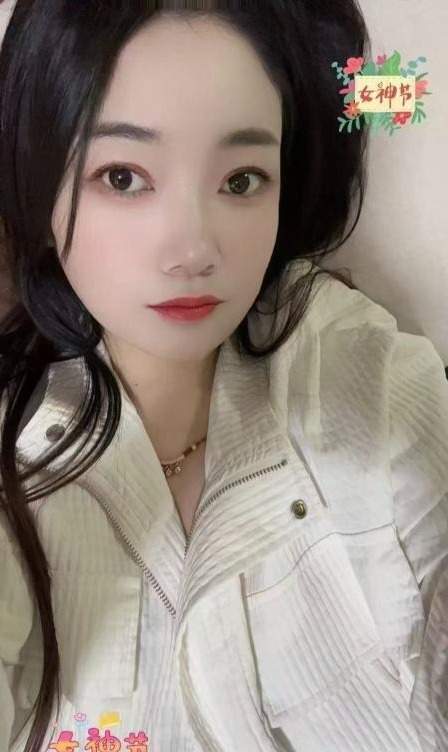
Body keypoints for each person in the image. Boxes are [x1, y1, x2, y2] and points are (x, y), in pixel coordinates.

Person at [0, 2, 447, 751]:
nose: (193, 249)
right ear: (40, 186)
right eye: (123, 176)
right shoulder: (15, 450)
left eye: (242, 180)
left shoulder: (358, 370)